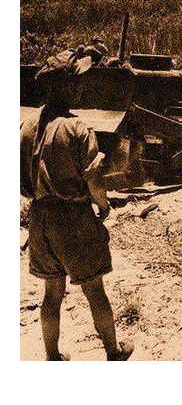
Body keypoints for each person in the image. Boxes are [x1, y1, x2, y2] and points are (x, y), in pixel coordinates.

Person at [20, 49, 134, 362]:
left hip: (39, 218)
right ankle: (113, 352)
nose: (82, 86)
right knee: (94, 289)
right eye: (78, 81)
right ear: (68, 86)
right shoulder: (77, 128)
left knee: (52, 293)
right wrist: (103, 204)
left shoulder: (27, 127)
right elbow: (93, 175)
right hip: (72, 220)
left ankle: (52, 356)